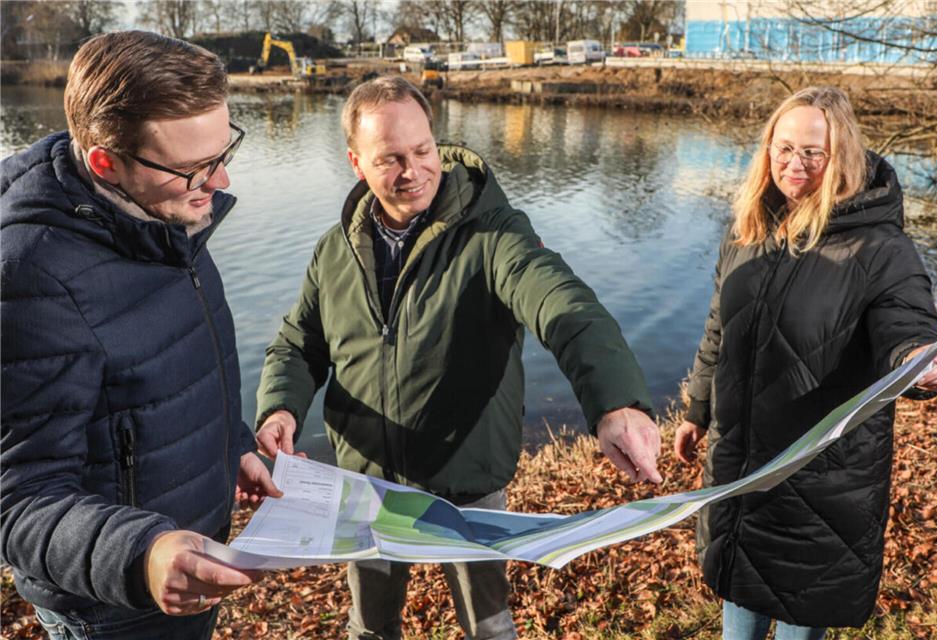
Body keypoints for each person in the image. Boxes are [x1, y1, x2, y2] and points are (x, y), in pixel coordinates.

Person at [254, 75, 662, 640]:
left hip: (466, 474)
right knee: (369, 625)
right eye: (390, 159)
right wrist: (281, 409)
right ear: (356, 162)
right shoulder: (334, 249)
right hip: (366, 478)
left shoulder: (494, 235)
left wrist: (615, 402)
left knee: (487, 624)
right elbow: (300, 344)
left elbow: (565, 306)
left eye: (423, 151)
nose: (413, 170)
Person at [0, 31, 282, 639]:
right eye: (194, 167)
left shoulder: (165, 212)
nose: (222, 180)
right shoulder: (31, 277)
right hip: (113, 605)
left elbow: (173, 362)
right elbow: (20, 501)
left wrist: (232, 444)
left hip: (189, 562)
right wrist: (143, 555)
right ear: (106, 161)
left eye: (223, 150)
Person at [673, 85, 937, 639]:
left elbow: (907, 327)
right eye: (782, 148)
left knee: (802, 612)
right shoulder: (748, 231)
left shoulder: (880, 248)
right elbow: (718, 330)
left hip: (821, 480)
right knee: (740, 597)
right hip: (740, 467)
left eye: (811, 152)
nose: (793, 163)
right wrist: (697, 408)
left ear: (841, 155)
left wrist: (925, 363)